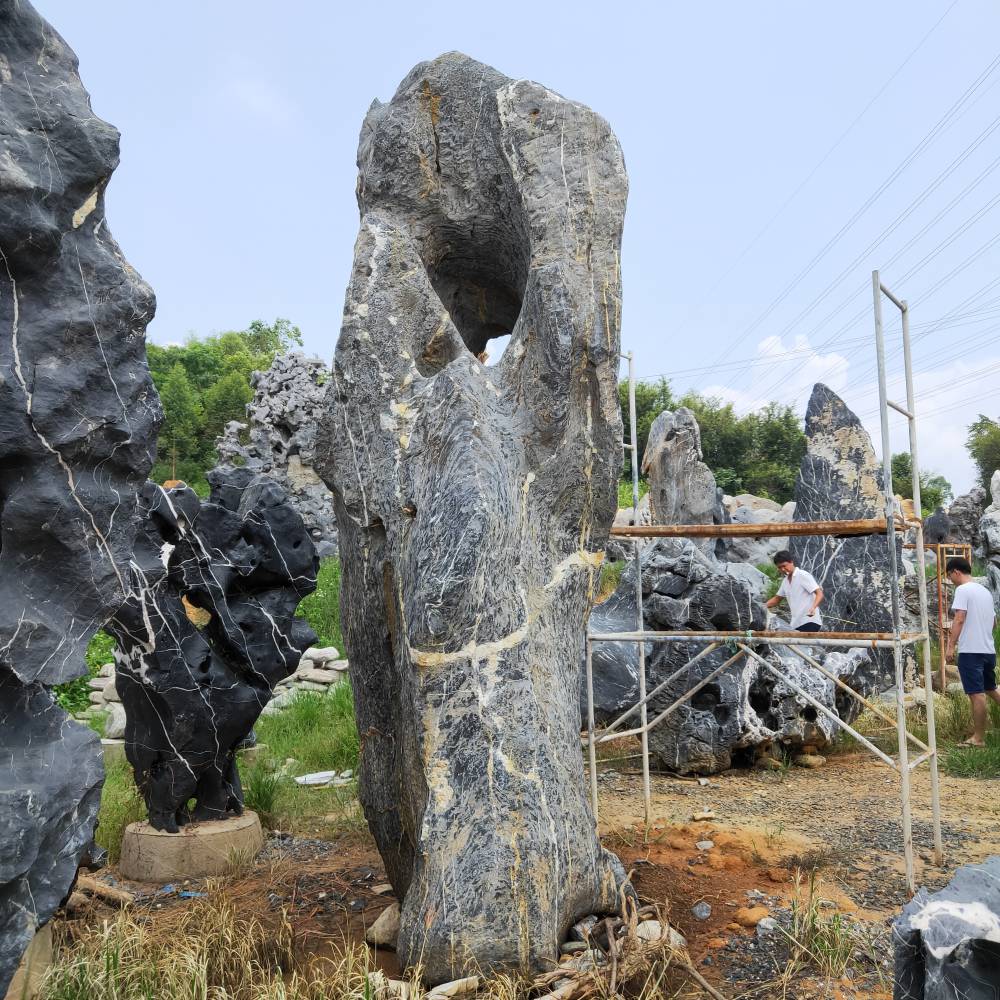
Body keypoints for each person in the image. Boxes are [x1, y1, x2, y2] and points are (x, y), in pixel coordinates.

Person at [944, 556, 998, 747]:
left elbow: (959, 619)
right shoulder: (985, 591)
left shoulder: (963, 590)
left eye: (950, 576)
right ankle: (978, 734)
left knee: (977, 694)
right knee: (991, 689)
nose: (950, 580)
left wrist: (950, 646)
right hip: (988, 650)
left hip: (971, 652)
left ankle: (978, 738)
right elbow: (993, 622)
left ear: (956, 572)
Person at [765, 550, 824, 632]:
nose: (782, 569)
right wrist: (762, 606)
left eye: (784, 566)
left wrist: (813, 607)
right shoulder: (785, 581)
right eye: (779, 567)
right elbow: (777, 599)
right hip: (795, 624)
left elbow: (819, 593)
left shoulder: (802, 575)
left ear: (791, 562)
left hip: (809, 620)